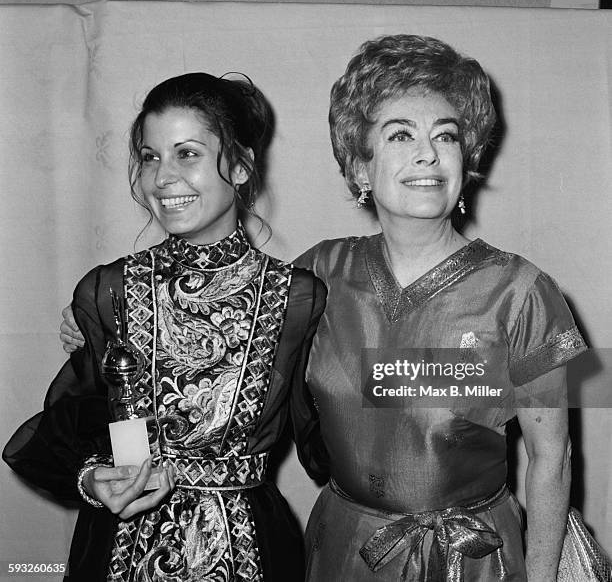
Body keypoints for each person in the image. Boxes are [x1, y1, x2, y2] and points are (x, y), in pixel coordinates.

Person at [58, 36, 588, 581]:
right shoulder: (319, 278)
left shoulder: (524, 292)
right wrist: (99, 323)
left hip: (474, 559)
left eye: (445, 136)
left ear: (466, 159)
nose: (427, 153)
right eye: (400, 135)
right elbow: (218, 340)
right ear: (360, 166)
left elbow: (554, 460)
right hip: (344, 550)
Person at [4, 72, 327, 582]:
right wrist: (93, 478)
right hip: (118, 546)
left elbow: (330, 441)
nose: (161, 177)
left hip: (252, 551)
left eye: (188, 153)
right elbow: (71, 426)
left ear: (241, 167)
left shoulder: (300, 298)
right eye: (151, 156)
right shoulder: (108, 290)